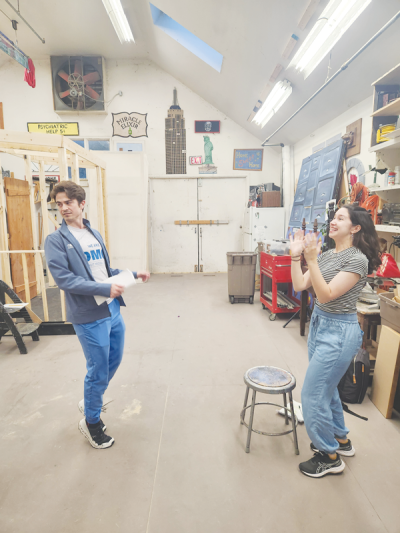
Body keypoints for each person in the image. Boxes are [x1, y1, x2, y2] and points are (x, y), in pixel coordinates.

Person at [44, 181, 150, 449]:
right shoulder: (56, 240)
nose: (63, 208)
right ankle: (91, 423)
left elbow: (104, 270)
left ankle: (91, 397)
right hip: (89, 315)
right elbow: (64, 279)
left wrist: (131, 275)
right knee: (98, 368)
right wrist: (105, 288)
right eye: (59, 204)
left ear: (82, 203)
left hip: (111, 309)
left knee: (114, 359)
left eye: (68, 202)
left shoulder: (93, 233)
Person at [289, 205, 381, 478]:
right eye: (333, 216)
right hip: (320, 325)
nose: (333, 221)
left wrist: (313, 260)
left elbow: (327, 294)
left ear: (355, 228)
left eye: (341, 218)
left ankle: (328, 456)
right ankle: (341, 440)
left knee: (312, 394)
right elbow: (300, 285)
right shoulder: (328, 255)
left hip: (340, 332)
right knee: (326, 390)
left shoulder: (357, 260)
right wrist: (297, 258)